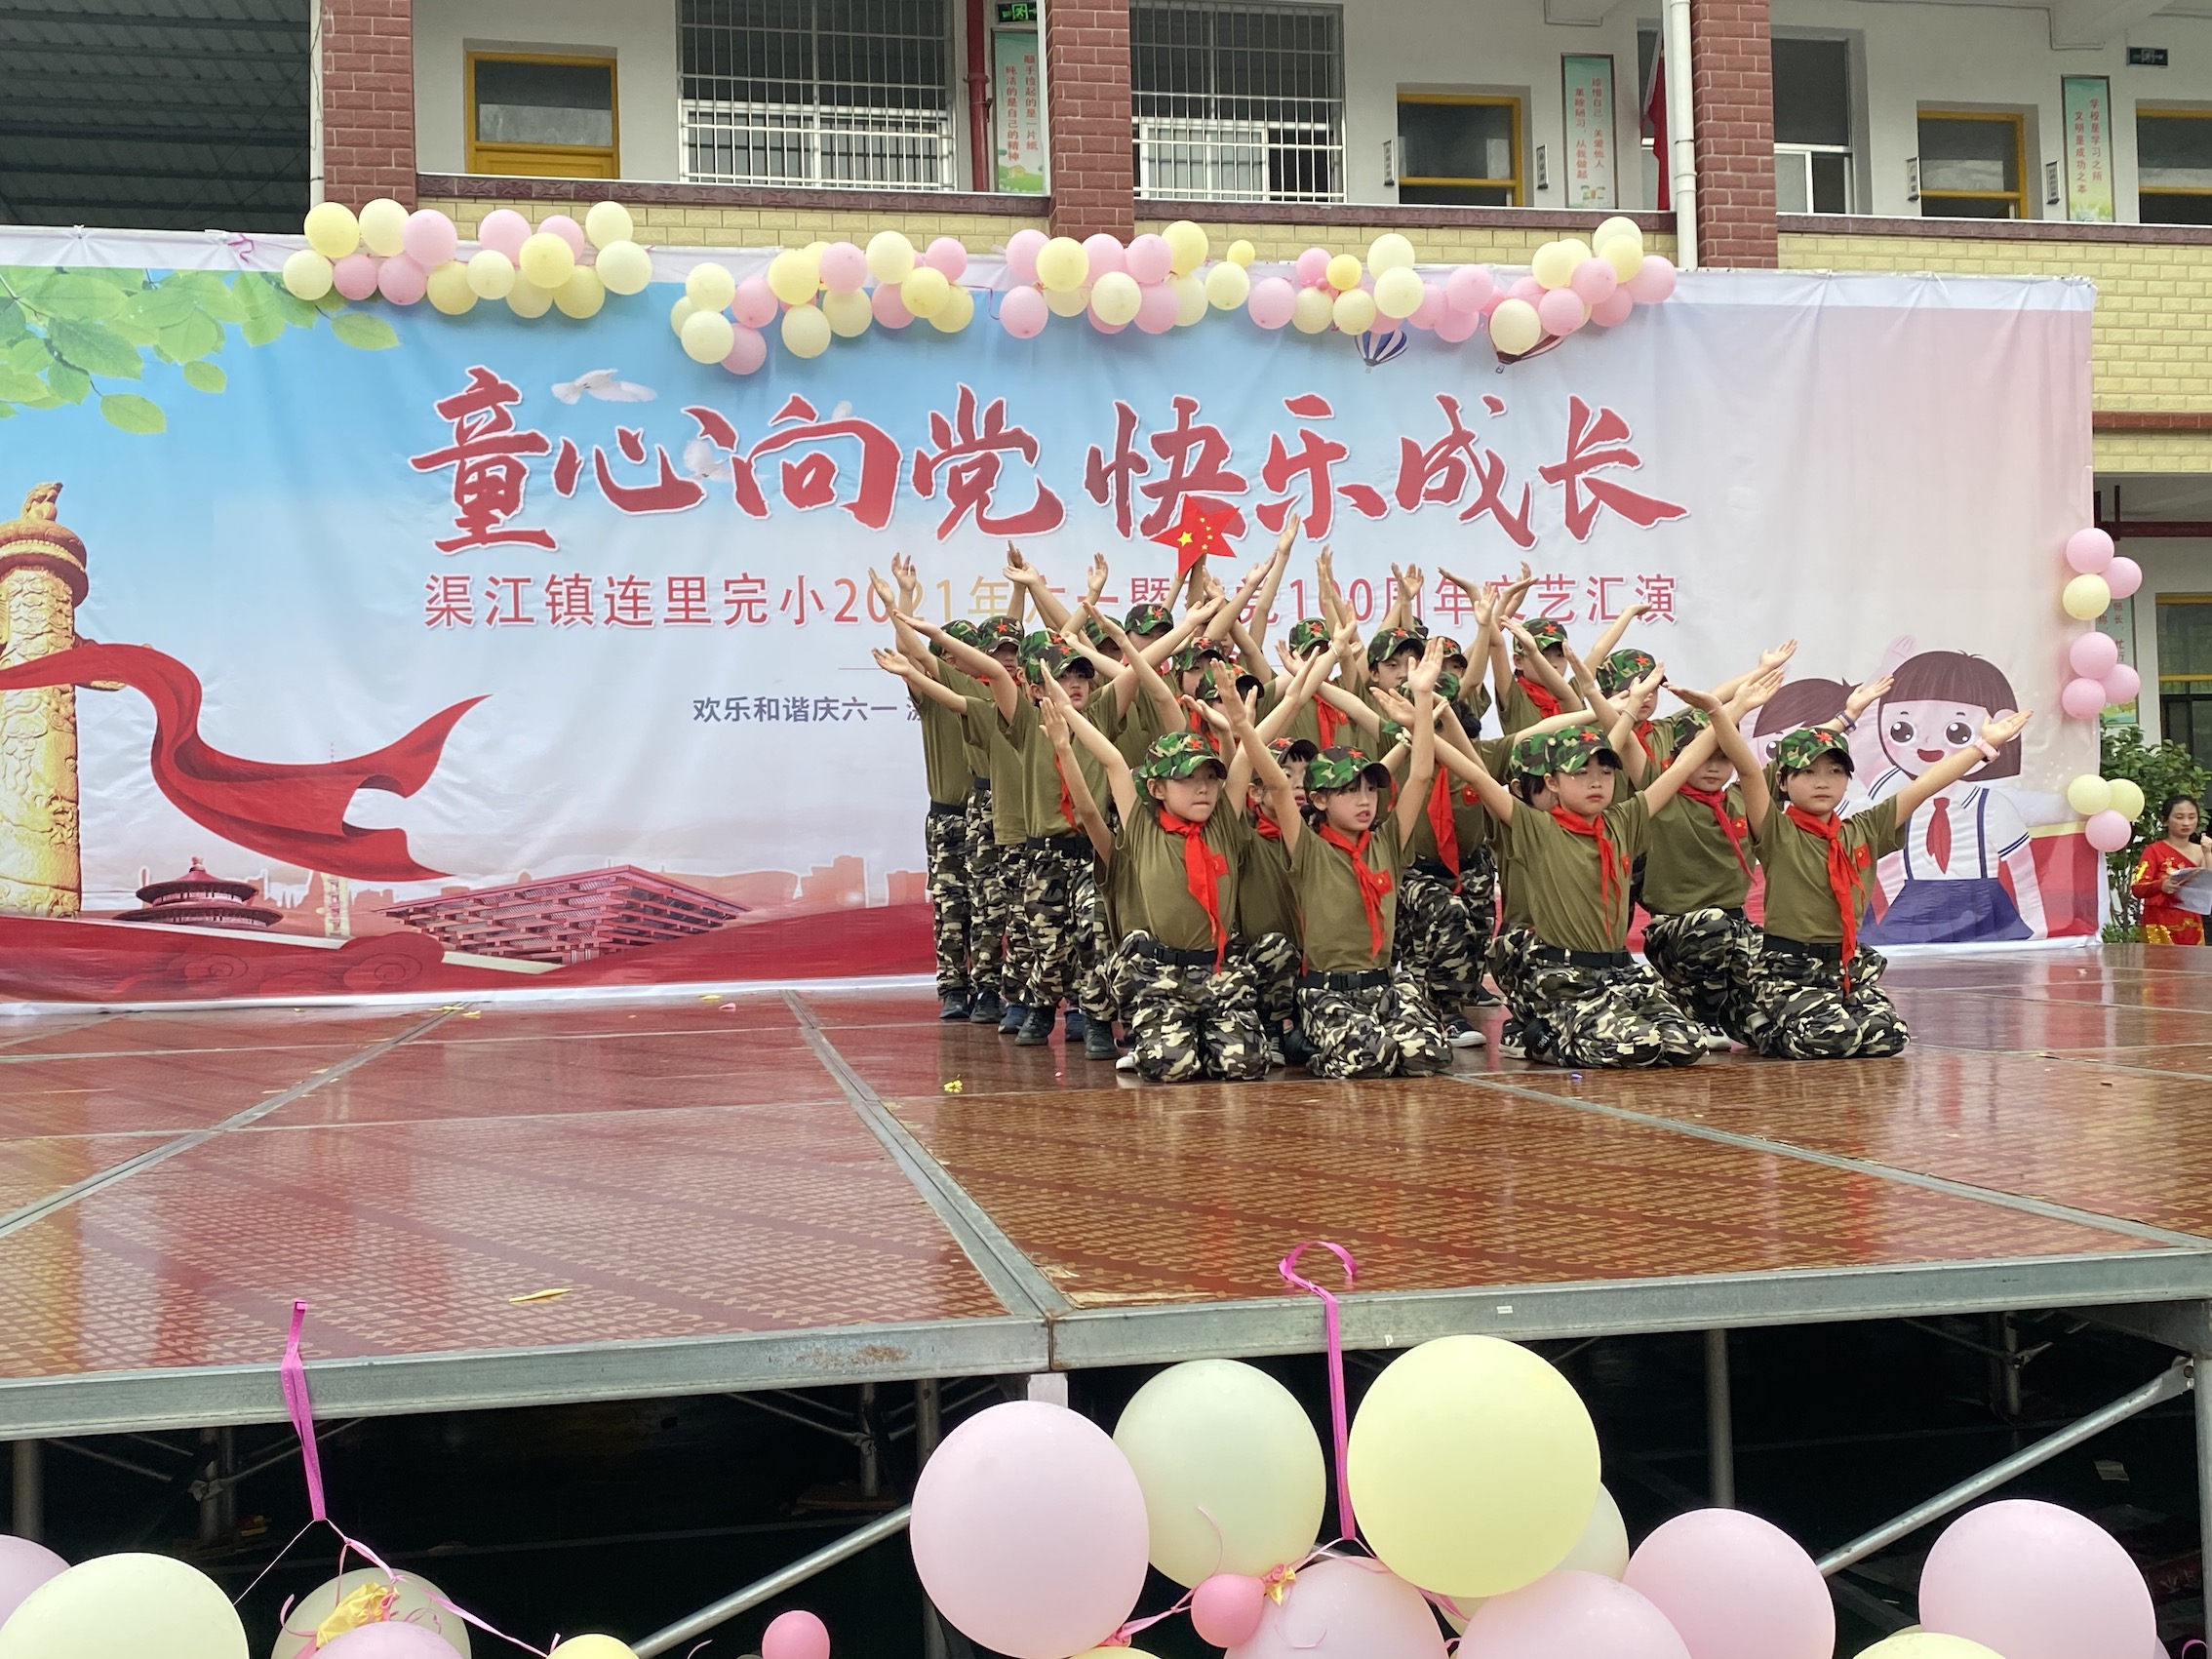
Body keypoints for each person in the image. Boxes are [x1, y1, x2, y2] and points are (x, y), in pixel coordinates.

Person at [1453, 686, 1737, 1069]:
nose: (1596, 781)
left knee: (1687, 1044)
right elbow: (1475, 770)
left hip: (1617, 969)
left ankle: (1583, 1025)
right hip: (1562, 971)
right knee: (1634, 1045)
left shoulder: (1621, 820)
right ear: (1552, 782)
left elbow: (1683, 766)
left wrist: (1722, 709)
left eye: (1605, 773)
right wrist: (1426, 720)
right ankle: (1540, 1036)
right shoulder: (1536, 827)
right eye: (1580, 773)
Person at [1740, 703, 2034, 1059]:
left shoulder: (1864, 829)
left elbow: (1924, 786)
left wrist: (1982, 747)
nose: (1822, 781)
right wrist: (1724, 712)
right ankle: (1759, 1024)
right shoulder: (1777, 831)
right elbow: (1749, 774)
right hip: (1791, 970)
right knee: (1833, 1039)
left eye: (1835, 771)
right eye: (1807, 771)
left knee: (1889, 1037)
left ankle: (1821, 1014)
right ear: (1782, 781)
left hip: (1844, 968)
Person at [1040, 684, 1275, 1083]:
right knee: (1172, 1067)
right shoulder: (1144, 832)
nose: (1203, 788)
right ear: (1157, 788)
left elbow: (1245, 760)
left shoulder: (1221, 825)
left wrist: (1241, 726)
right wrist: (1066, 739)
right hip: (1163, 978)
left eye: (1209, 778)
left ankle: (1206, 1039)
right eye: (1187, 779)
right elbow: (1112, 763)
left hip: (1218, 972)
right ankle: (1166, 1038)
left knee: (1246, 1066)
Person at [1259, 638, 1454, 1079]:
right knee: (1371, 1058)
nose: (1365, 800)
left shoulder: (1385, 842)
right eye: (1349, 791)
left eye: (1370, 789)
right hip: (1328, 991)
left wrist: (1423, 698)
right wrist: (1255, 718)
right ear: (1320, 800)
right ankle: (1307, 1041)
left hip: (1383, 986)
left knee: (1427, 1056)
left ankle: (1362, 1034)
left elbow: (1421, 773)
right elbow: (1276, 785)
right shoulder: (1309, 848)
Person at [1637, 671, 1788, 1046]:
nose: (1714, 766)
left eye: (1724, 757)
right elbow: (1627, 746)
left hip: (1733, 929)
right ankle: (1693, 1011)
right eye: (1706, 756)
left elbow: (1798, 765)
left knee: (1778, 958)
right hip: (1677, 932)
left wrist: (1849, 715)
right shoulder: (1660, 797)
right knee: (1713, 927)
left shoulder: (1740, 798)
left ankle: (1736, 1013)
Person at [1861, 649, 2047, 944]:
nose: (1927, 743)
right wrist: (1881, 677)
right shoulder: (1896, 798)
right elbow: (1886, 863)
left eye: (1957, 731)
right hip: (1913, 904)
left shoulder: (1991, 805)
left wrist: (2039, 933)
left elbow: (2023, 873)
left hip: (1983, 907)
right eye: (1902, 729)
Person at [2132, 795, 2209, 945]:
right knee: (2161, 960)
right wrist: (2161, 885)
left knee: (2193, 960)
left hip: (2192, 924)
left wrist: (2208, 854)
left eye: (2191, 817)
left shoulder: (2202, 851)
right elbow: (2137, 888)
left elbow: (2207, 887)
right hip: (2159, 923)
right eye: (2179, 817)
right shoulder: (2153, 851)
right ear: (2165, 821)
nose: (2186, 823)